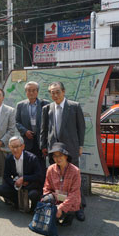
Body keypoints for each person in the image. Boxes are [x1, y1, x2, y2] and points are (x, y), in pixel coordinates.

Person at [40, 81, 86, 221]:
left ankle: (79, 207)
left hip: (70, 148)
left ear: (64, 91)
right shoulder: (47, 108)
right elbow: (44, 129)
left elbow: (81, 128)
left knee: (74, 180)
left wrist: (80, 145)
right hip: (54, 149)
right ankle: (59, 206)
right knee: (56, 180)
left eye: (57, 92)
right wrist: (43, 146)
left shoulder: (74, 106)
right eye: (52, 92)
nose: (55, 95)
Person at [0, 136, 45, 211]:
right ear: (9, 147)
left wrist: (24, 179)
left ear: (23, 146)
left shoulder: (32, 158)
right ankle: (18, 202)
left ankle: (33, 207)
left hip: (30, 185)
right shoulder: (9, 158)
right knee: (0, 189)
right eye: (12, 147)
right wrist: (14, 183)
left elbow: (39, 175)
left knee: (33, 194)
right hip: (18, 185)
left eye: (17, 146)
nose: (15, 149)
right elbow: (6, 176)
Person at [42, 142, 81, 226]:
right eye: (55, 156)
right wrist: (49, 202)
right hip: (56, 197)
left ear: (66, 156)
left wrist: (61, 207)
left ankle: (68, 216)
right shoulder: (50, 169)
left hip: (70, 199)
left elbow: (74, 193)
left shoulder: (75, 171)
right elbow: (46, 187)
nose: (57, 158)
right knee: (46, 199)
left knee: (68, 214)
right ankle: (55, 215)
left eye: (60, 155)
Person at [16, 81, 49, 172]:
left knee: (41, 165)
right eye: (28, 90)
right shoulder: (20, 105)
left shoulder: (45, 104)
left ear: (37, 92)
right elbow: (17, 122)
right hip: (27, 140)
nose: (31, 92)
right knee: (28, 164)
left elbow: (49, 123)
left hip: (41, 140)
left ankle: (41, 185)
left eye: (33, 90)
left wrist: (46, 142)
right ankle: (30, 184)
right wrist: (25, 131)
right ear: (25, 92)